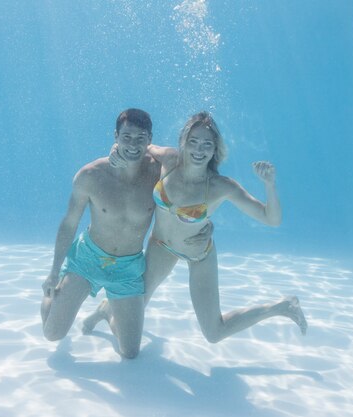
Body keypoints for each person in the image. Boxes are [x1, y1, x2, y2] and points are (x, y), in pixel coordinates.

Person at [83, 111, 307, 344]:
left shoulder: (221, 186)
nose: (199, 150)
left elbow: (271, 219)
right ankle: (104, 310)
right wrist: (114, 150)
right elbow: (140, 146)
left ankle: (282, 306)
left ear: (214, 149)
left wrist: (269, 185)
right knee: (129, 316)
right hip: (160, 247)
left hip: (199, 254)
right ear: (183, 142)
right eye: (193, 142)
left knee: (214, 333)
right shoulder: (169, 159)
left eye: (206, 145)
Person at [41, 109, 211, 358]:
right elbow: (69, 224)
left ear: (150, 139)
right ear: (115, 136)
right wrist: (53, 272)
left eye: (140, 138)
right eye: (126, 137)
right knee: (52, 334)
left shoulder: (158, 174)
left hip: (128, 268)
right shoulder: (90, 176)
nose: (133, 144)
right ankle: (50, 300)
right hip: (87, 260)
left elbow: (179, 167)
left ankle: (106, 311)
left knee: (130, 353)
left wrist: (206, 226)